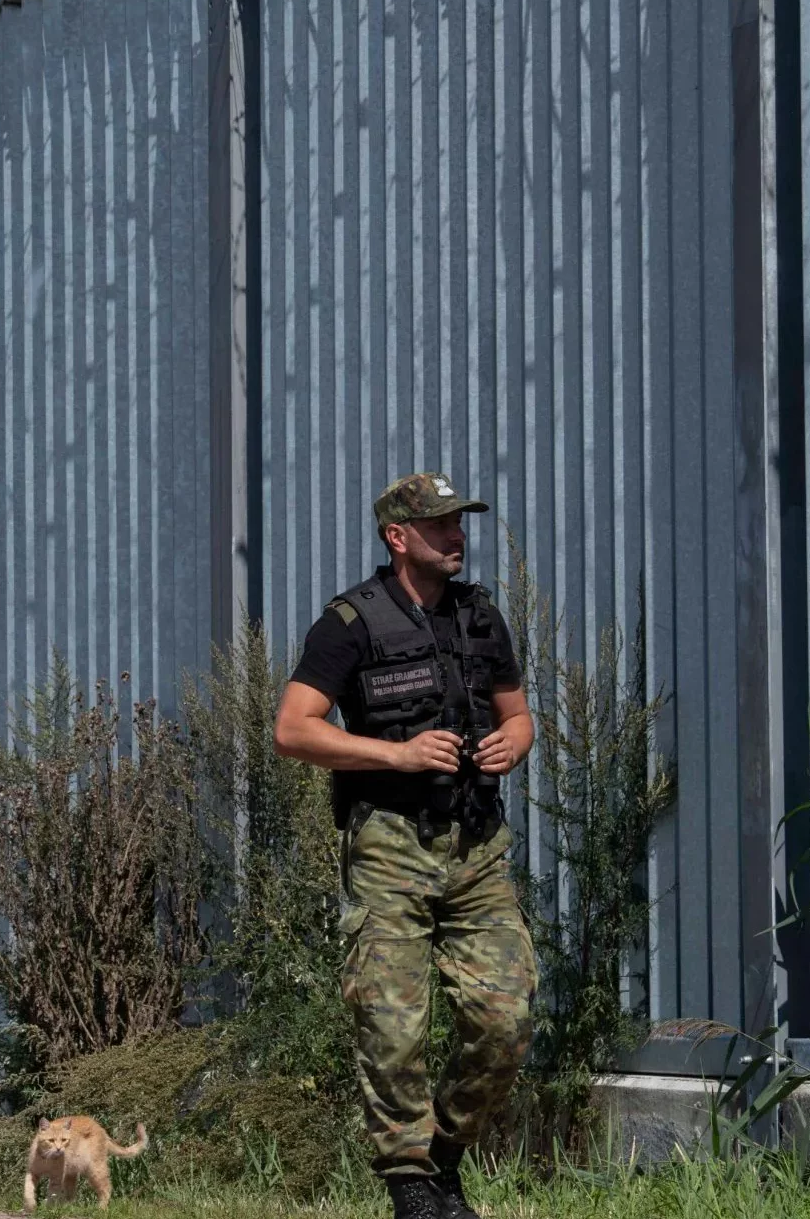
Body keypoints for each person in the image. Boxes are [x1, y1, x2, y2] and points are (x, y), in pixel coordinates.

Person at [271, 473, 539, 1219]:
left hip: (476, 844)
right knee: (391, 1025)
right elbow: (293, 727)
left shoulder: (479, 616)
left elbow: (519, 717)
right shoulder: (349, 622)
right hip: (389, 844)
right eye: (440, 525)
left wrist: (510, 746)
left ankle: (443, 1157)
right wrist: (397, 755)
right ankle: (411, 1186)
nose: (456, 536)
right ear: (398, 537)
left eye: (460, 523)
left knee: (506, 1014)